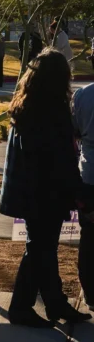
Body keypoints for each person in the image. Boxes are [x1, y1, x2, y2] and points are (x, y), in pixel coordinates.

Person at [0, 49, 92, 327]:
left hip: (29, 191)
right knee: (40, 249)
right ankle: (28, 307)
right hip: (46, 194)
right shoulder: (53, 113)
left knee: (40, 248)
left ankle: (51, 303)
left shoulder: (26, 108)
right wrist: (81, 193)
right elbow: (62, 160)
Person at [73, 83, 94, 309]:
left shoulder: (83, 95)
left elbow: (75, 130)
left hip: (90, 175)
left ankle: (91, 291)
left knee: (89, 237)